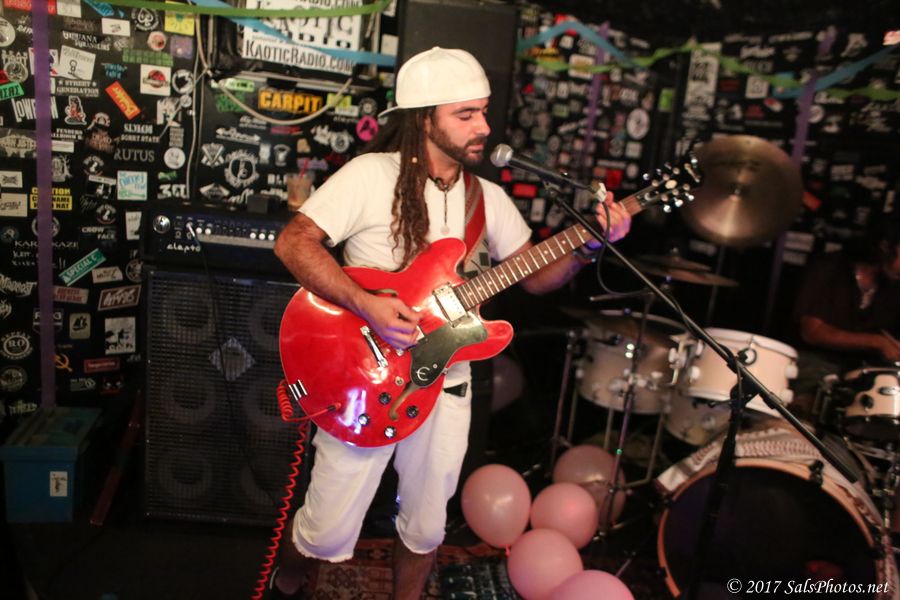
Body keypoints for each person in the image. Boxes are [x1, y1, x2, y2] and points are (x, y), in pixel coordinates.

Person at [270, 47, 632, 599]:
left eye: (483, 111)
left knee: (426, 526)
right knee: (326, 528)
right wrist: (366, 303)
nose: (483, 126)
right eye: (465, 114)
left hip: (447, 382)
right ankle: (287, 584)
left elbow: (536, 276)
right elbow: (293, 243)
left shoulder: (486, 197)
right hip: (363, 375)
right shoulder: (370, 175)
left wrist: (588, 246)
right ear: (424, 119)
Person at [791, 218, 900, 415]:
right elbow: (813, 332)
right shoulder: (830, 267)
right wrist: (877, 342)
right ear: (885, 247)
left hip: (861, 374)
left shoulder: (893, 286)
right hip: (814, 364)